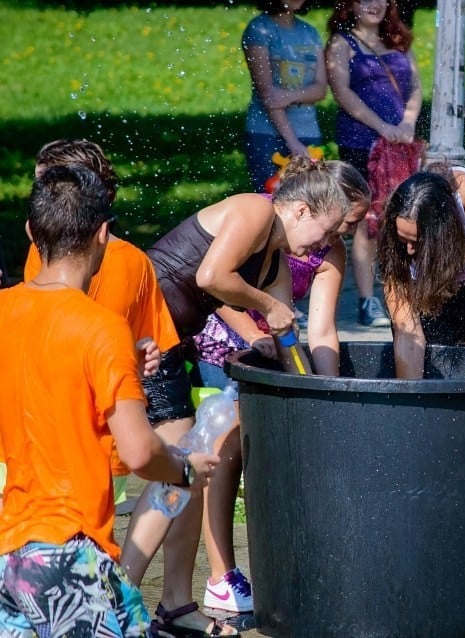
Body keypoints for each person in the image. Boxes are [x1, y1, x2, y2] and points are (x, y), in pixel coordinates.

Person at [120, 156, 347, 636]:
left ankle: (177, 605)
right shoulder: (255, 211)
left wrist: (308, 390)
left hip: (169, 346)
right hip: (136, 340)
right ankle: (116, 605)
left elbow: (286, 332)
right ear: (302, 210)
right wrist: (267, 308)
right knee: (177, 472)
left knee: (188, 473)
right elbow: (211, 277)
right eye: (325, 230)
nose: (325, 245)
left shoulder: (276, 261)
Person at [0, 164, 218, 637]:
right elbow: (140, 453)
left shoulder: (5, 312)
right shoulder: (100, 327)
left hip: (11, 554)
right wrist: (185, 469)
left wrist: (118, 373)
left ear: (31, 231)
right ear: (103, 233)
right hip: (72, 550)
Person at [192, 161, 370, 615]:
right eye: (350, 220)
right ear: (327, 206)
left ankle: (295, 559)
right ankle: (220, 574)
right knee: (229, 444)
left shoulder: (329, 252)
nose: (349, 232)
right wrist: (252, 336)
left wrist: (326, 391)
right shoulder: (267, 224)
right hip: (226, 337)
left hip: (275, 340)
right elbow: (217, 291)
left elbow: (323, 329)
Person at [21, 139, 181, 509]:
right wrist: (183, 470)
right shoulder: (130, 267)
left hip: (37, 446)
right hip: (94, 447)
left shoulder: (25, 282)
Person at [325, 0, 423, 328]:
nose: (374, 5)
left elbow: (415, 90)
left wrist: (408, 124)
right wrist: (382, 127)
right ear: (350, 5)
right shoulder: (341, 44)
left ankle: (406, 292)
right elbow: (342, 94)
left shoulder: (398, 41)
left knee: (405, 218)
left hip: (401, 146)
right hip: (361, 144)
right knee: (367, 223)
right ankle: (368, 301)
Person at [378, 165, 465, 379]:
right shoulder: (397, 219)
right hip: (423, 285)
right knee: (428, 370)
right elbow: (407, 333)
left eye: (417, 243)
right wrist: (411, 399)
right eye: (403, 240)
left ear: (442, 232)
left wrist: (457, 254)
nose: (409, 250)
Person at [242, 0, 328, 192]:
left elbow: (321, 90)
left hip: (308, 133)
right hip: (266, 135)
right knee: (270, 204)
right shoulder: (259, 29)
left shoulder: (310, 33)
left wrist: (289, 96)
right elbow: (268, 95)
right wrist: (292, 142)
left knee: (311, 204)